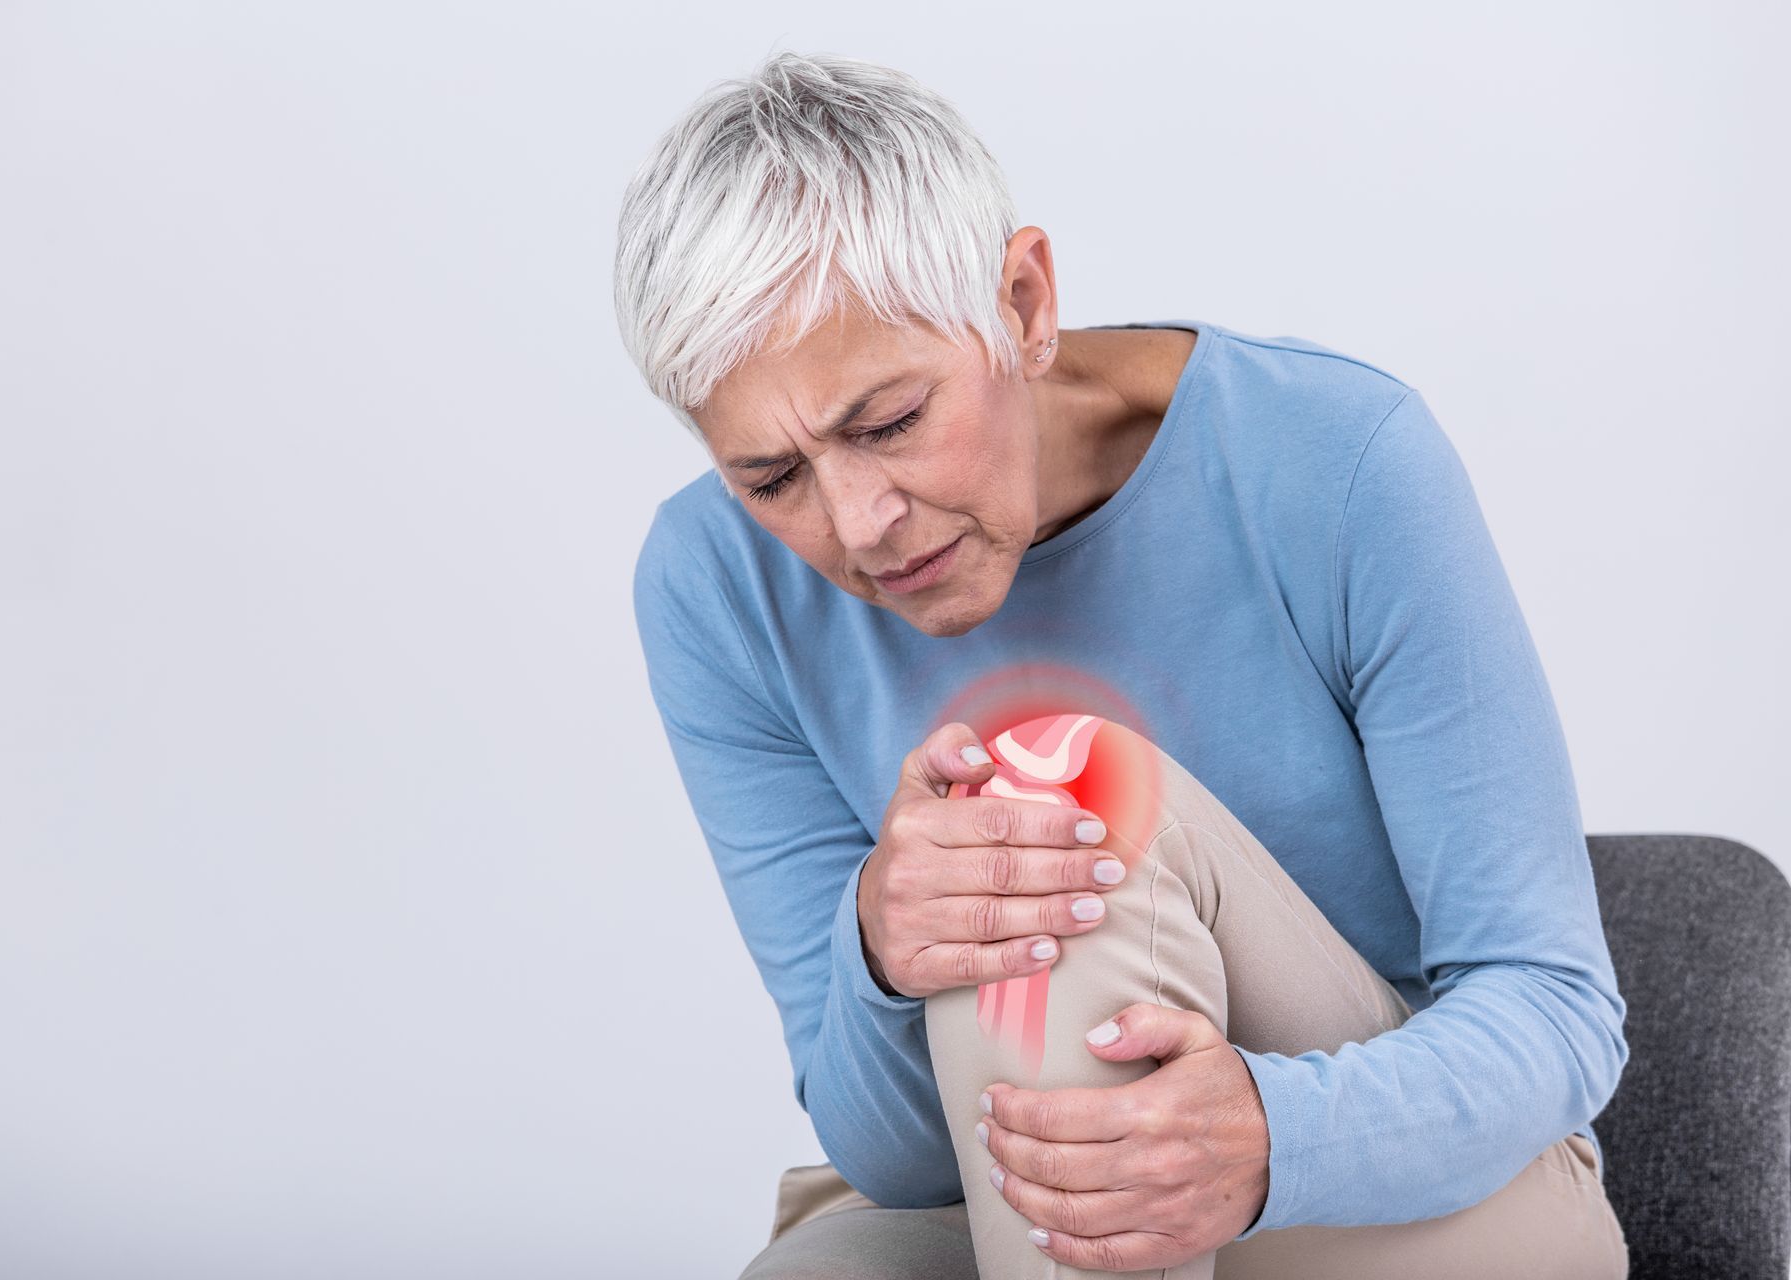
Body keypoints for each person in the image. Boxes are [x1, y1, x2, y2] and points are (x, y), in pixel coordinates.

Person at [615, 49, 1630, 1279]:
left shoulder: (1340, 459)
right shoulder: (712, 584)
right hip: (1014, 1180)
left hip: (1423, 1182)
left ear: (1025, 305)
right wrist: (884, 945)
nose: (858, 520)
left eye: (887, 423)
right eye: (772, 478)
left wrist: (1264, 1132)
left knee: (1053, 787)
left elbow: (1557, 1013)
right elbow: (894, 1160)